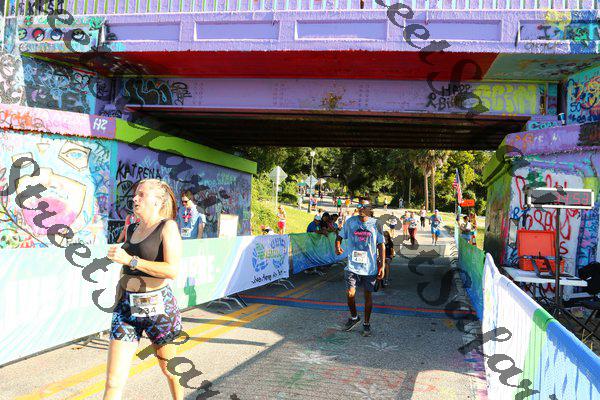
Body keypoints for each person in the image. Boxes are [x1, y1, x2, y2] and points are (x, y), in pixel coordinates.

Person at [105, 178, 183, 400]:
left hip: (159, 309)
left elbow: (172, 270)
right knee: (113, 382)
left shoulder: (167, 227)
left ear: (157, 201)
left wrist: (131, 260)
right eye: (135, 194)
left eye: (141, 194)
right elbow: (125, 264)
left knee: (170, 371)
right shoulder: (130, 228)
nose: (135, 198)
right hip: (126, 309)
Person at [335, 201, 384, 337]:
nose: (361, 208)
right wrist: (337, 246)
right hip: (352, 266)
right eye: (359, 206)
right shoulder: (350, 222)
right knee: (350, 293)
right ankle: (354, 317)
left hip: (369, 267)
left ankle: (366, 323)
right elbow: (340, 236)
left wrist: (382, 265)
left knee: (367, 295)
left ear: (370, 209)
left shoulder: (376, 224)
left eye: (364, 206)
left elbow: (381, 244)